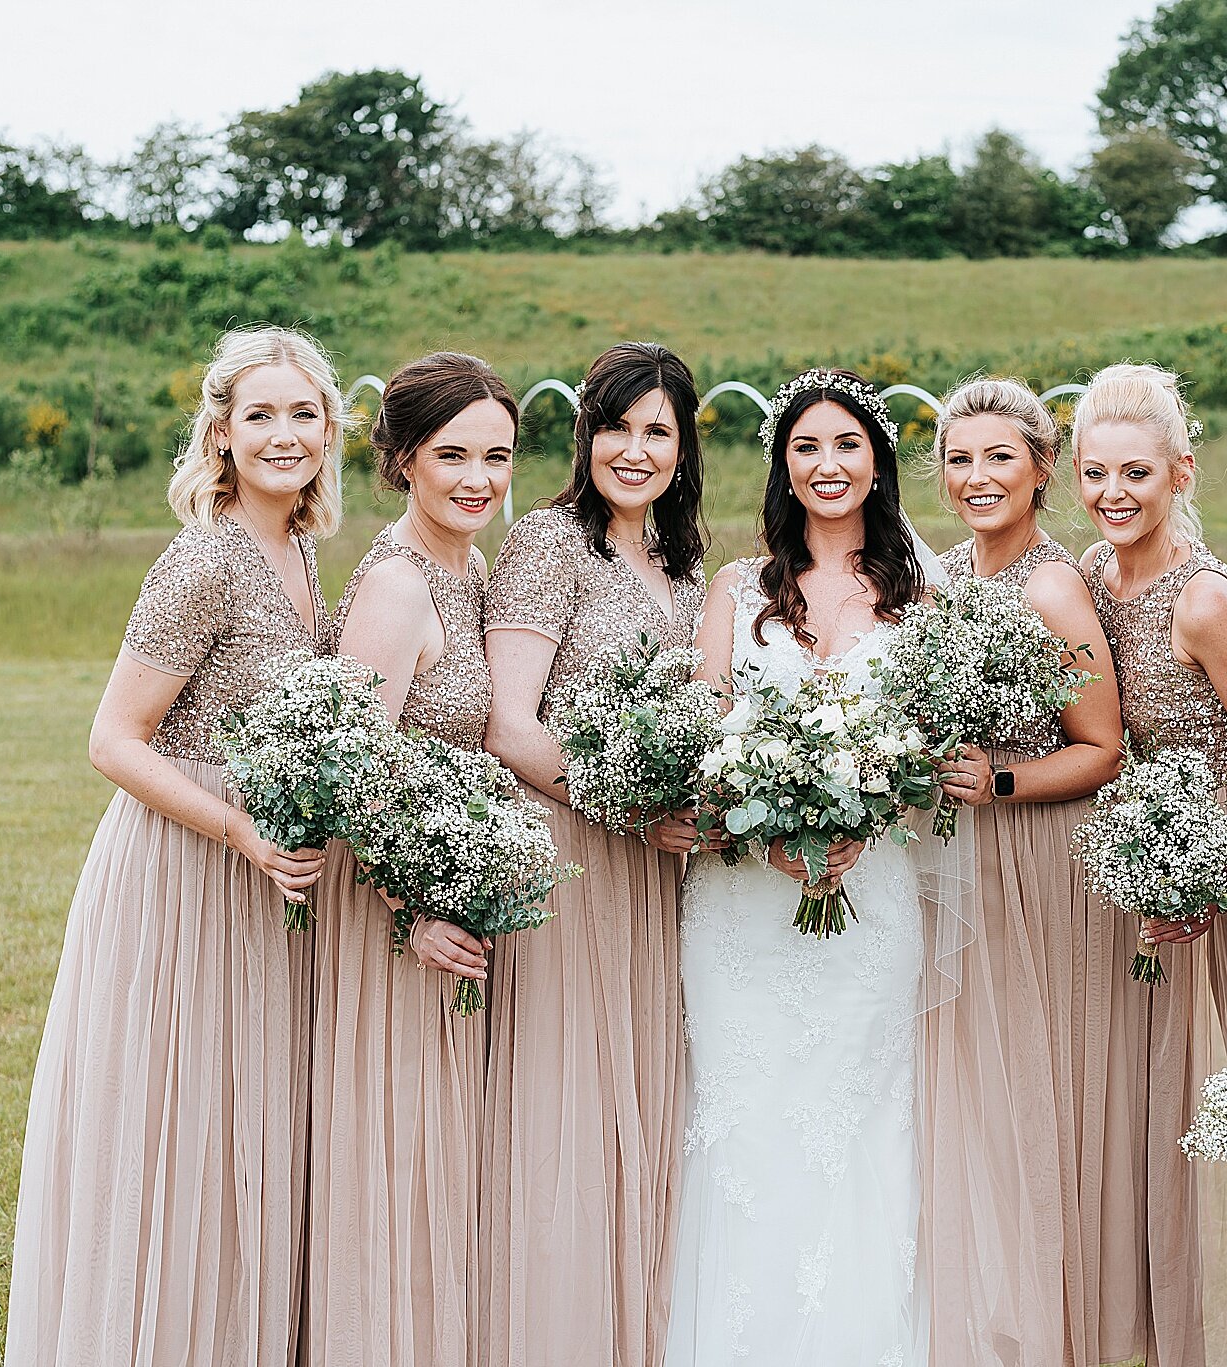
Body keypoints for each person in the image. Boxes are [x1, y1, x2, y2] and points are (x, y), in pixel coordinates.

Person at [4, 325, 347, 1367]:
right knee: (175, 1130)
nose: (283, 434)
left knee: (245, 1127)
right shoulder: (203, 560)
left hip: (263, 873)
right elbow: (112, 737)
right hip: (184, 868)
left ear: (330, 430)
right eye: (260, 416)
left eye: (302, 414)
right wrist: (240, 826)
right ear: (221, 435)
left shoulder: (299, 547)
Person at [665, 368, 939, 1366]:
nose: (827, 464)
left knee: (858, 1124)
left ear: (877, 461)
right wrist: (760, 830)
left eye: (847, 445)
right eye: (805, 447)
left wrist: (879, 808)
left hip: (867, 897)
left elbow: (933, 744)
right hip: (740, 901)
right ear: (782, 464)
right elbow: (698, 738)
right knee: (744, 1129)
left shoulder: (923, 588)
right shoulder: (736, 588)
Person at [1072, 361, 1227, 1361]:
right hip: (1172, 867)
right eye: (1093, 474)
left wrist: (1208, 870)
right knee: (1189, 1109)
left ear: (1181, 472)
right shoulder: (1093, 574)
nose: (1112, 494)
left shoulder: (1206, 602)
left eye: (1135, 472)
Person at [480, 341, 708, 1367]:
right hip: (569, 850)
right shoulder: (547, 543)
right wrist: (615, 805)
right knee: (566, 1095)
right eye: (616, 424)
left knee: (645, 1095)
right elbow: (507, 723)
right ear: (585, 433)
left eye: (656, 429)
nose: (634, 447)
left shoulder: (682, 560)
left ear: (682, 445)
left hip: (660, 870)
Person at [302, 351, 517, 1365]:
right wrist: (409, 909)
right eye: (453, 456)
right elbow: (350, 774)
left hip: (454, 899)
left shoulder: (469, 567)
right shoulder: (395, 585)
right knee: (397, 1162)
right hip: (399, 925)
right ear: (400, 460)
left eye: (495, 456)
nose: (477, 478)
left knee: (448, 1167)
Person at [925, 376, 1134, 1366]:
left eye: (998, 457)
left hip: (1033, 858)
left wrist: (999, 778)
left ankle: (1061, 1320)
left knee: (1033, 1088)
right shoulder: (947, 570)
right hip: (956, 856)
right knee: (971, 1090)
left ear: (1041, 468)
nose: (976, 476)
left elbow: (1101, 744)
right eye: (959, 459)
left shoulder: (1050, 584)